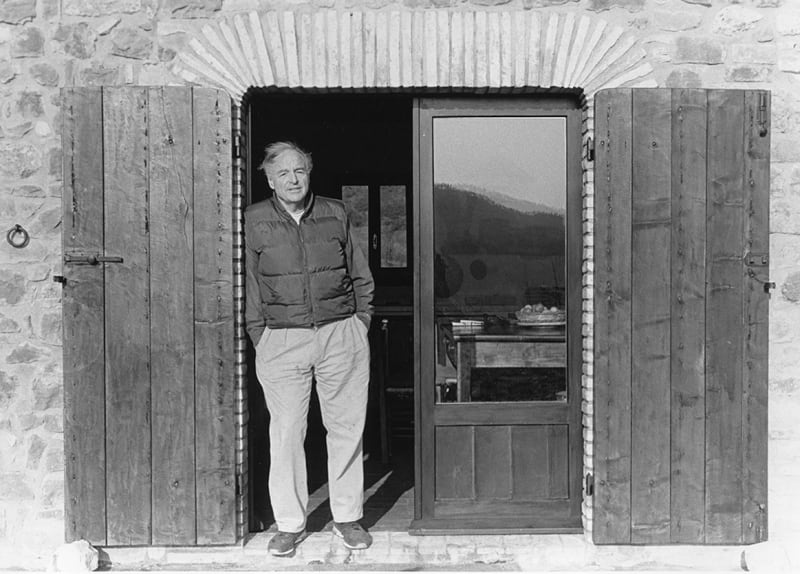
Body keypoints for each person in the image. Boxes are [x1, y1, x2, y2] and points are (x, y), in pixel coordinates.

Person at [245, 141, 374, 556]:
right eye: (283, 173)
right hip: (281, 339)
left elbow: (359, 272)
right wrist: (259, 334)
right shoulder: (253, 220)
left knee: (346, 428)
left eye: (299, 171)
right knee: (285, 433)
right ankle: (290, 523)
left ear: (309, 172)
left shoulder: (335, 212)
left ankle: (347, 518)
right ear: (269, 179)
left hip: (341, 333)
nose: (293, 180)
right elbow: (247, 284)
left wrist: (361, 321)